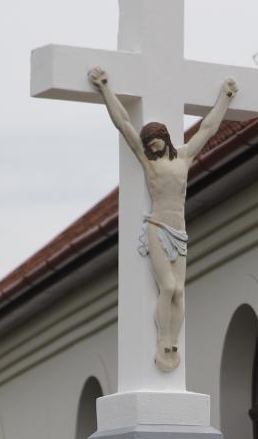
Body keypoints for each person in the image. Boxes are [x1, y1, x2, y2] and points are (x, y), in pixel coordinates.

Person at [88, 64, 237, 371]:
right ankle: (161, 339)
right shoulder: (149, 162)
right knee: (167, 287)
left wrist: (225, 97)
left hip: (179, 231)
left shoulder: (184, 157)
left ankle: (173, 342)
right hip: (157, 228)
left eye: (154, 143)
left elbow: (208, 128)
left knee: (179, 292)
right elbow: (124, 124)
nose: (151, 148)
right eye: (148, 145)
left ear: (164, 138)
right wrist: (105, 89)